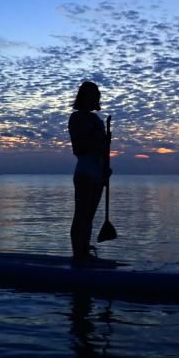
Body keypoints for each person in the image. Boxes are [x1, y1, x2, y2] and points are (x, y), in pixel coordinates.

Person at [68, 81, 109, 265]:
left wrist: (106, 167)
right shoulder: (76, 118)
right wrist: (99, 139)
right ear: (84, 96)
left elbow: (103, 149)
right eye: (93, 94)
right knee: (82, 214)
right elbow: (81, 147)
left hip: (98, 170)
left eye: (97, 94)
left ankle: (84, 251)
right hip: (85, 170)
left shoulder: (96, 119)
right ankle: (79, 254)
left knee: (90, 215)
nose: (97, 97)